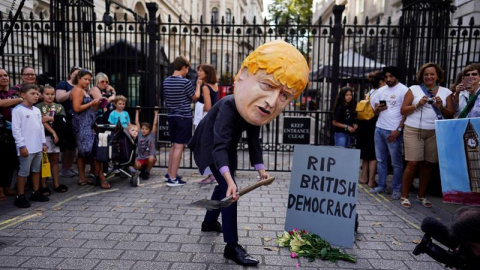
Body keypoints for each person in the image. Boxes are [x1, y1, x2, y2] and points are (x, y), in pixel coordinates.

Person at [188, 40, 309, 266]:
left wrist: (260, 168)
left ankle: (209, 222)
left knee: (224, 186)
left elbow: (254, 140)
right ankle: (231, 246)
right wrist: (227, 177)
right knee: (230, 192)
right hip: (210, 145)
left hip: (226, 146)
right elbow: (218, 146)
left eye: (284, 96)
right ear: (242, 76)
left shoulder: (254, 108)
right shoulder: (228, 106)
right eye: (267, 85)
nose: (272, 101)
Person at [399, 63, 454, 208]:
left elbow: (450, 114)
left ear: (437, 76)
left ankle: (421, 196)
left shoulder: (446, 92)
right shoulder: (414, 89)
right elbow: (403, 110)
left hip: (435, 131)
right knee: (412, 163)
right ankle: (404, 195)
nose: (429, 77)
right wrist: (417, 105)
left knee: (428, 164)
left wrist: (440, 106)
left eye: (432, 74)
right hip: (413, 129)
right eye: (426, 74)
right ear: (421, 77)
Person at [369, 66, 408, 200]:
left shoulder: (404, 90)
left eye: (391, 76)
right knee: (381, 160)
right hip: (379, 128)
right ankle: (381, 185)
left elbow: (406, 113)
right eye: (386, 77)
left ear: (396, 76)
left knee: (396, 162)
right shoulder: (381, 91)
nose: (388, 79)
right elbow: (374, 112)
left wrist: (398, 130)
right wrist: (378, 109)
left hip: (393, 130)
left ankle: (397, 188)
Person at [163, 56, 201, 186]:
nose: (187, 71)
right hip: (183, 116)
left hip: (171, 116)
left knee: (174, 146)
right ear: (184, 67)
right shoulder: (185, 82)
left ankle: (169, 173)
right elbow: (195, 97)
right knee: (179, 146)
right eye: (187, 68)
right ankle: (173, 178)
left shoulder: (166, 81)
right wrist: (199, 86)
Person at [70, 69, 109, 189]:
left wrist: (97, 104)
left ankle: (82, 178)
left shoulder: (83, 90)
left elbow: (90, 110)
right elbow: (76, 108)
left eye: (89, 80)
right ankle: (101, 177)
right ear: (79, 79)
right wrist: (91, 102)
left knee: (83, 152)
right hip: (82, 125)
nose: (87, 81)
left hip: (88, 124)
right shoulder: (77, 90)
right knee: (95, 151)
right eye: (85, 79)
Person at [11, 84, 49, 208]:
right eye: (32, 93)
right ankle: (20, 196)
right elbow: (16, 130)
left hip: (37, 146)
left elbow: (41, 127)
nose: (36, 96)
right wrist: (21, 146)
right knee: (24, 172)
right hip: (26, 147)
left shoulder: (37, 110)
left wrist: (43, 143)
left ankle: (35, 192)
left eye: (37, 94)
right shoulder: (18, 110)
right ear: (23, 95)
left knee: (36, 171)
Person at [35, 85, 69, 195]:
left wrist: (49, 118)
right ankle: (43, 185)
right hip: (44, 136)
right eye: (47, 94)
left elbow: (61, 120)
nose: (50, 96)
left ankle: (56, 184)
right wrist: (52, 127)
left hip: (56, 137)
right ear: (42, 95)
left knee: (55, 160)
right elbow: (40, 121)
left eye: (52, 94)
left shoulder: (59, 106)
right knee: (45, 160)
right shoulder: (38, 106)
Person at [357, 71, 385, 188]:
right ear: (380, 82)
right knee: (373, 154)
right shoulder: (381, 93)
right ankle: (371, 181)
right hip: (373, 123)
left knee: (365, 153)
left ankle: (364, 177)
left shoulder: (369, 93)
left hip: (364, 124)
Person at [194, 64, 220, 184]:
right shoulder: (215, 86)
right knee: (211, 146)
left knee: (205, 147)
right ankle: (213, 174)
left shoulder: (205, 87)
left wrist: (198, 107)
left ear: (207, 73)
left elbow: (208, 107)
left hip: (206, 119)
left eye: (200, 71)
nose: (198, 73)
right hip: (214, 119)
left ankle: (211, 175)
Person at [0, 68, 22, 201]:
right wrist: (19, 99)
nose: (4, 77)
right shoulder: (15, 97)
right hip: (0, 131)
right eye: (0, 76)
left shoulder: (11, 93)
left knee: (10, 160)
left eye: (6, 75)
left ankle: (7, 186)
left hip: (11, 131)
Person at [56, 66, 81, 178]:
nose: (77, 76)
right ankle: (64, 168)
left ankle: (70, 167)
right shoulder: (63, 84)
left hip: (77, 117)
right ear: (70, 74)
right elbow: (59, 99)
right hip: (66, 116)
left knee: (74, 144)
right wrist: (73, 90)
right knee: (67, 144)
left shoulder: (82, 87)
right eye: (75, 74)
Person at [134, 106, 159, 180]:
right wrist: (137, 112)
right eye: (143, 129)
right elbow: (137, 123)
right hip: (141, 158)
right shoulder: (140, 135)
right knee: (135, 165)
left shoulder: (151, 136)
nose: (144, 130)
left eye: (146, 129)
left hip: (149, 158)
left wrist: (156, 113)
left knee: (151, 158)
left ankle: (147, 171)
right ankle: (142, 169)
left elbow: (155, 124)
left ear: (149, 130)